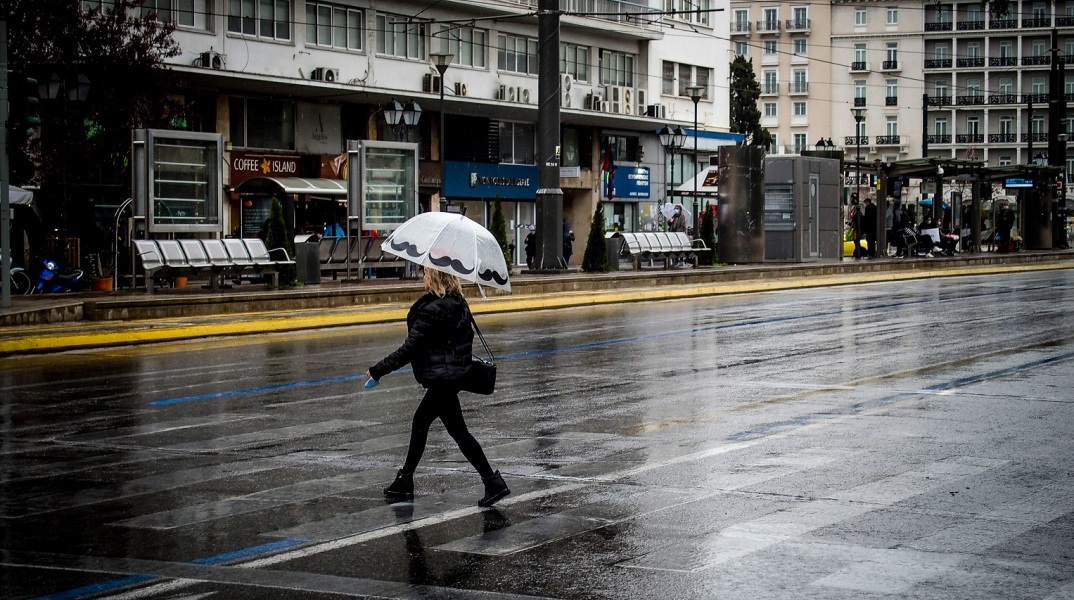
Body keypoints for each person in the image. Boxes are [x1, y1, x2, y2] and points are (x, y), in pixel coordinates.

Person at [366, 268, 510, 508]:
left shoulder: (432, 311)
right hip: (451, 376)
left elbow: (409, 349)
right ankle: (405, 481)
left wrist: (379, 369)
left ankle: (492, 482)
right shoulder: (458, 303)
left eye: (424, 274)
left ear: (434, 278)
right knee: (429, 424)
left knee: (447, 429)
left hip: (442, 379)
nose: (422, 278)